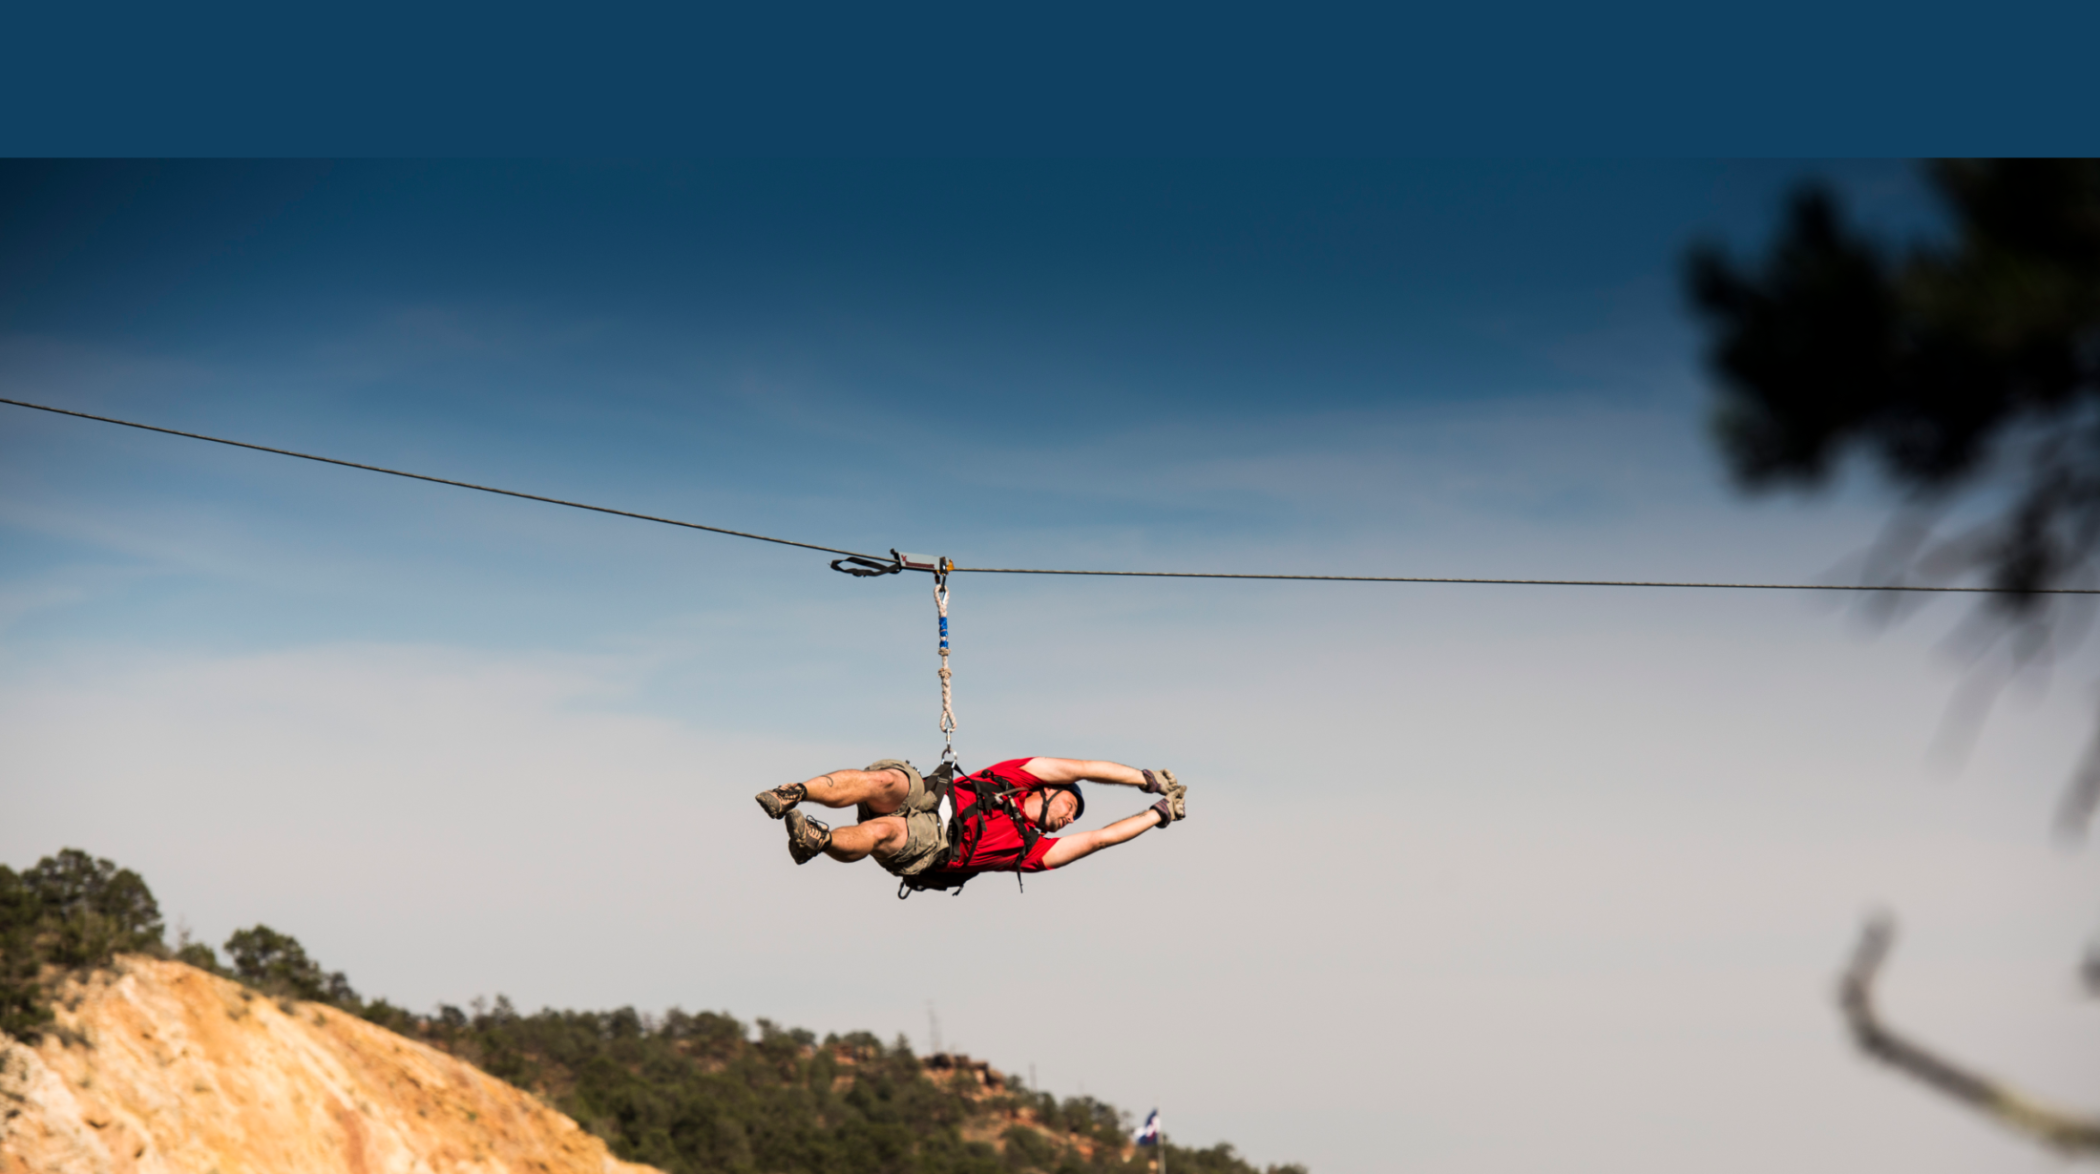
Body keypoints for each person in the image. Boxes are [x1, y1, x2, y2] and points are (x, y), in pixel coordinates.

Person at [754, 757, 1186, 884]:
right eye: (1069, 809)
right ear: (1048, 790)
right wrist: (1145, 780)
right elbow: (1084, 768)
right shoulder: (1014, 778)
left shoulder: (1031, 850)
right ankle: (794, 793)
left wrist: (1157, 814)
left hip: (933, 844)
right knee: (884, 781)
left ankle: (818, 839)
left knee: (886, 830)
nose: (1068, 821)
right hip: (933, 795)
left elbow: (1101, 839)